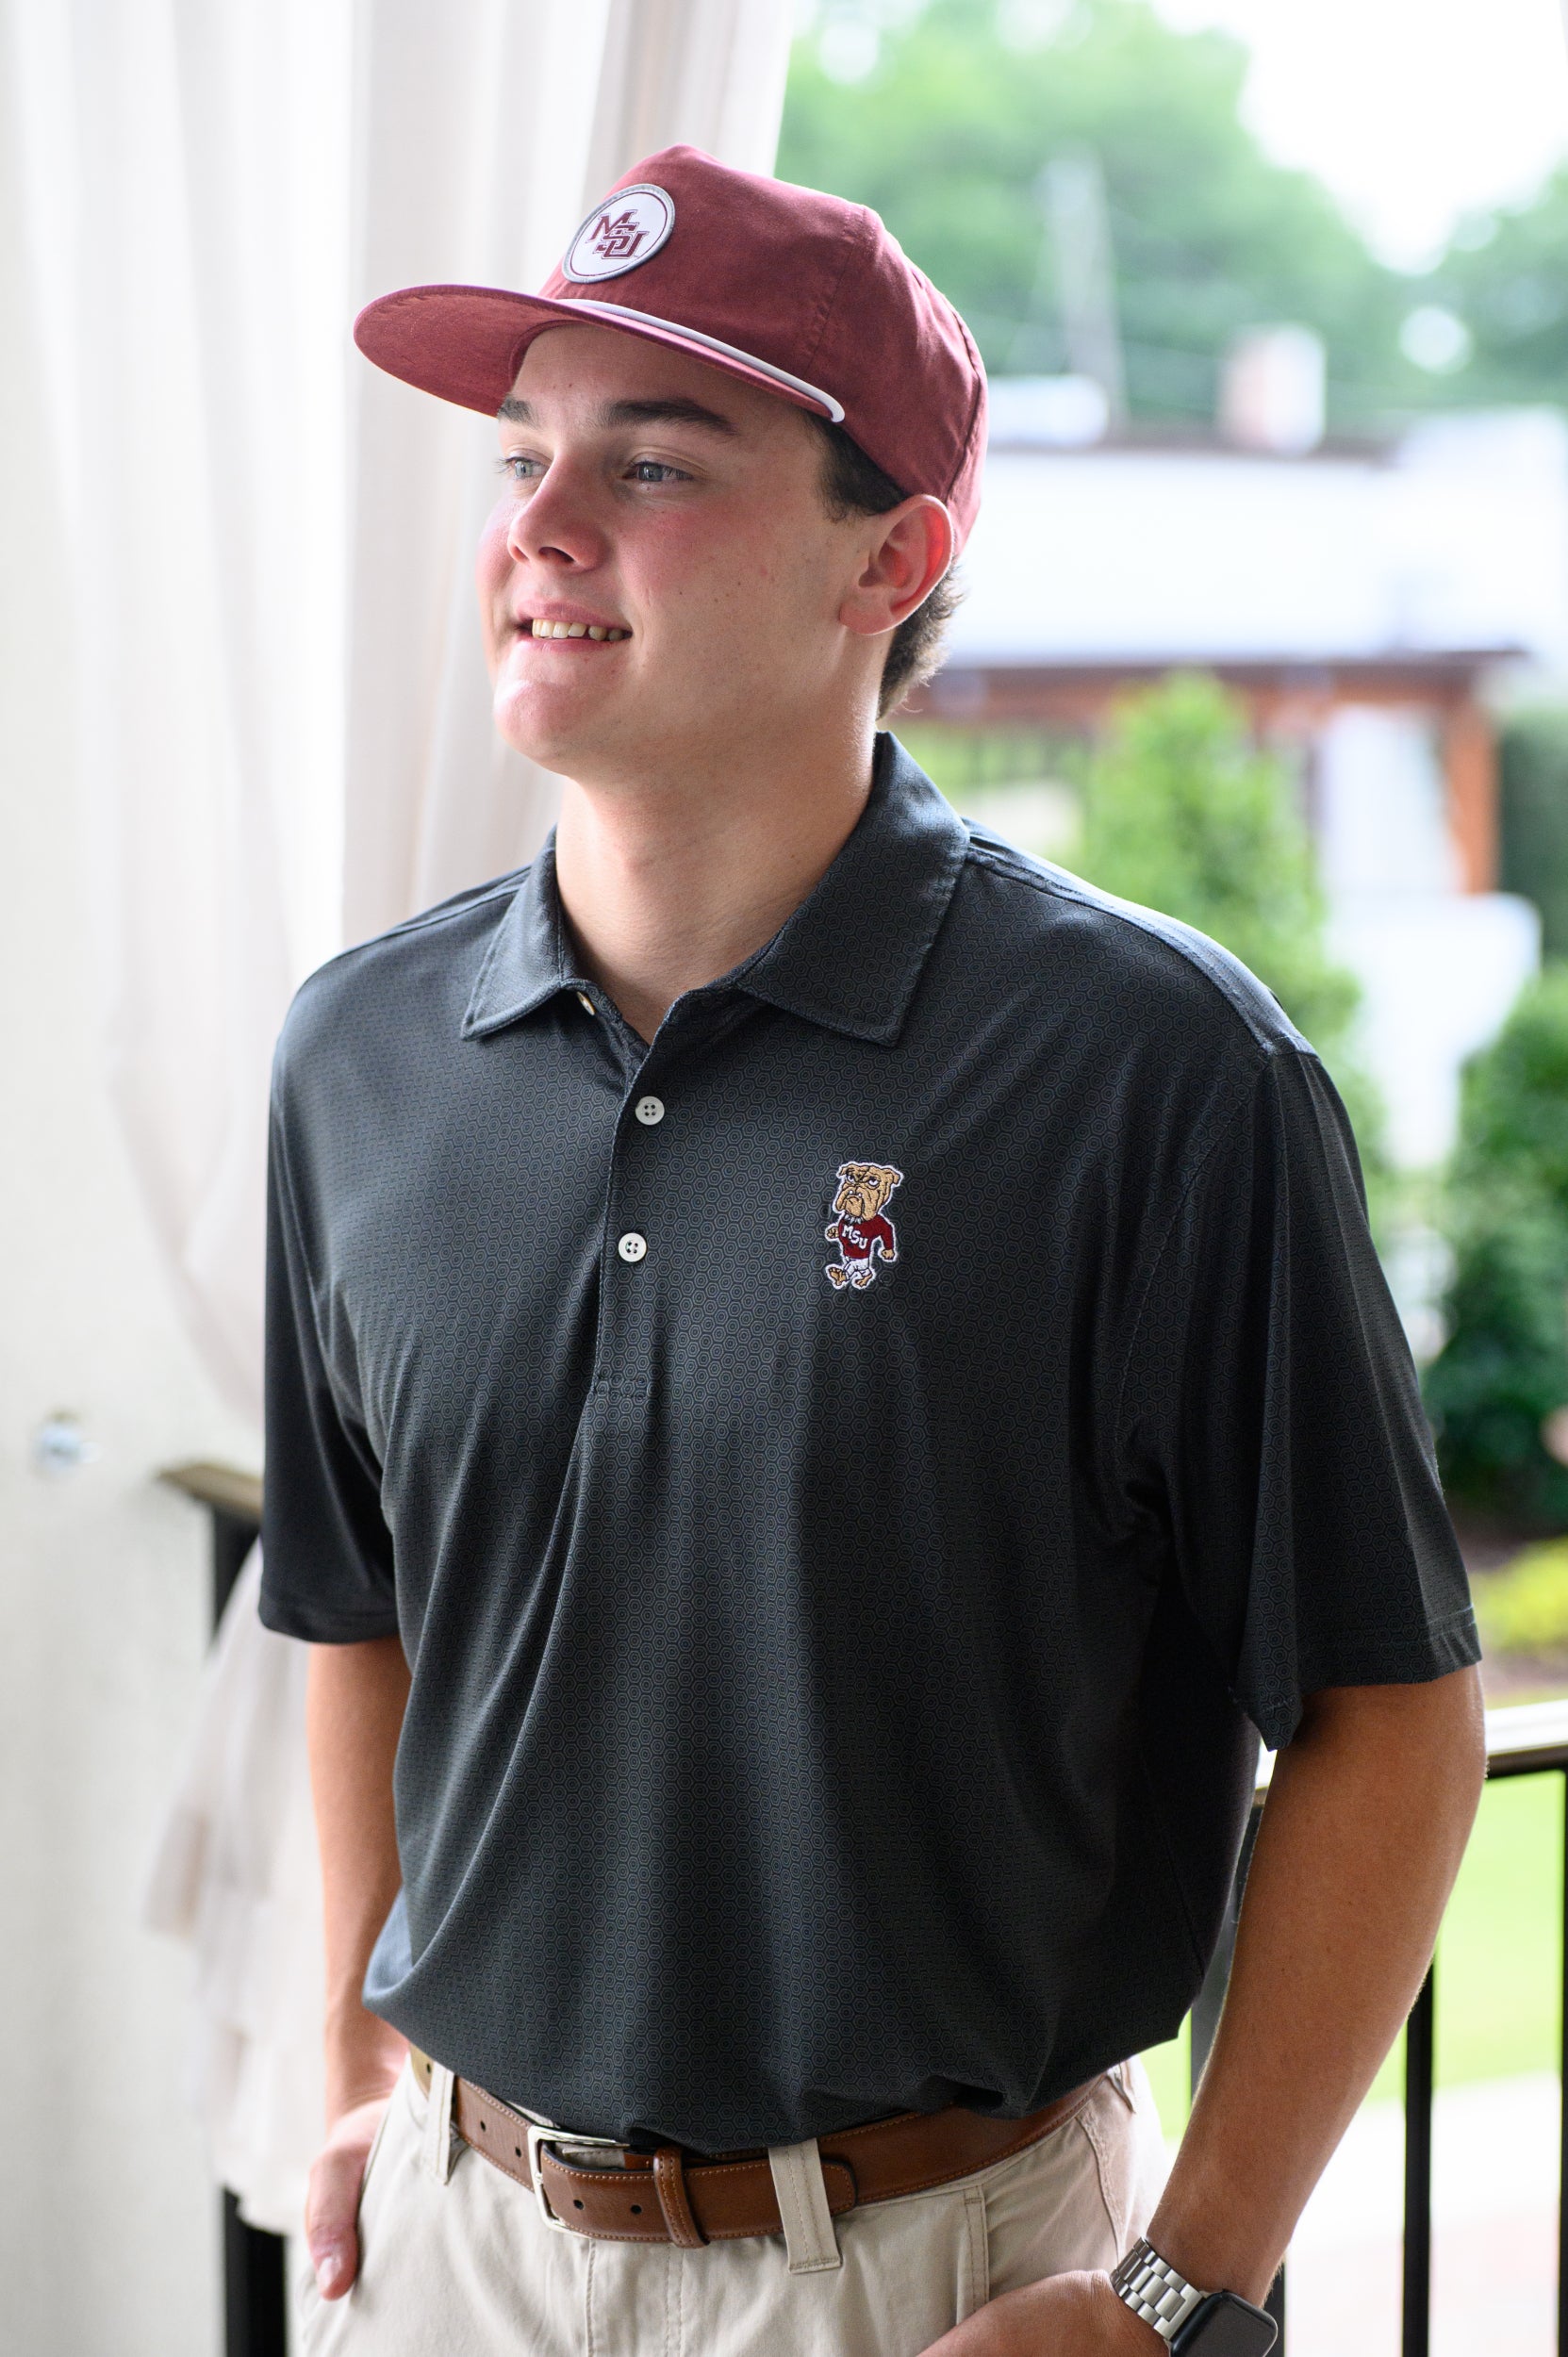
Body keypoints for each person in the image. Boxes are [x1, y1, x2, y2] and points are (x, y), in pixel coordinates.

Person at [259, 145, 1484, 2357]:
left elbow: (1393, 1713)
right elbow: (356, 1609)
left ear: (891, 558)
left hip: (933, 2273)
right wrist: (358, 2061)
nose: (540, 525)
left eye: (653, 462)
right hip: (450, 2248)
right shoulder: (355, 1055)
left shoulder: (1155, 1071)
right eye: (522, 453)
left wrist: (1174, 2283)